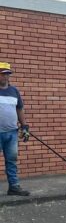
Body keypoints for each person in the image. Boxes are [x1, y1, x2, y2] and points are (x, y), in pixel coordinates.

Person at [0, 62, 31, 196]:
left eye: (7, 74)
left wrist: (24, 127)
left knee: (12, 160)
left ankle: (13, 186)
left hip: (12, 132)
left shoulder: (14, 91)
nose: (5, 77)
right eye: (2, 74)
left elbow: (19, 109)